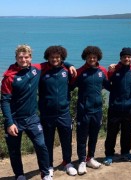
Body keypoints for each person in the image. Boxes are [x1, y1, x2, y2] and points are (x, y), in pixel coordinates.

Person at [1, 45, 52, 180]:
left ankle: (46, 173)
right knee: (14, 150)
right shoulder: (9, 76)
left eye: (26, 57)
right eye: (20, 57)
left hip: (32, 118)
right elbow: (5, 101)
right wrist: (9, 123)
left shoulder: (36, 69)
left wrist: (69, 65)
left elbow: (53, 62)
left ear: (30, 57)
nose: (23, 59)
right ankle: (19, 175)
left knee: (41, 145)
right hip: (15, 120)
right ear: (16, 58)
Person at [38, 46, 77, 177]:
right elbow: (27, 65)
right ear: (47, 58)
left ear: (62, 58)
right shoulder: (41, 70)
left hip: (64, 113)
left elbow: (72, 85)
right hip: (47, 114)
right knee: (47, 142)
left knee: (66, 140)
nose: (55, 59)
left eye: (57, 57)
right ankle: (49, 166)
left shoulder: (67, 70)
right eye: (52, 57)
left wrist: (69, 64)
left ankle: (68, 163)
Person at [71, 46, 110, 175]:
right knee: (82, 138)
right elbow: (69, 86)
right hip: (84, 111)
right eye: (89, 57)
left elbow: (110, 85)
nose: (92, 59)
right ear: (85, 58)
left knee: (93, 136)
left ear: (97, 57)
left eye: (94, 57)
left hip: (97, 110)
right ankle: (81, 161)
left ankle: (90, 158)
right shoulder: (80, 72)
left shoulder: (102, 71)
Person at [103, 47, 131, 166]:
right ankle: (109, 155)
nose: (126, 59)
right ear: (121, 58)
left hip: (129, 107)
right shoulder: (114, 69)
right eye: (124, 57)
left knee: (127, 132)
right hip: (115, 107)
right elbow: (106, 83)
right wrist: (114, 92)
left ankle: (125, 152)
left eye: (128, 57)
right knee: (112, 133)